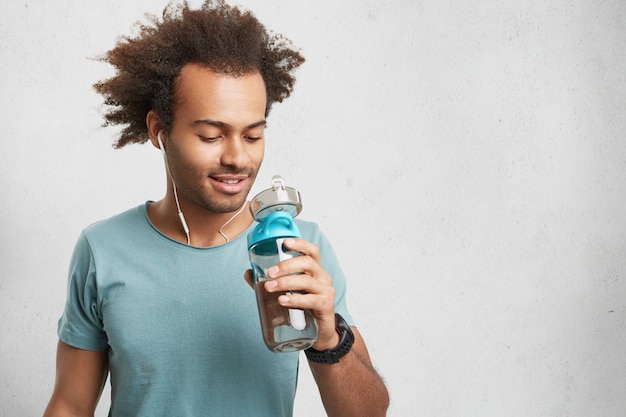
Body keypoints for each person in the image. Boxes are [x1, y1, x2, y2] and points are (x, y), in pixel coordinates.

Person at [43, 1, 389, 416]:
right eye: (211, 135)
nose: (238, 158)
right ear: (159, 131)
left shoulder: (299, 246)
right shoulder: (103, 249)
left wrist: (330, 339)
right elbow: (69, 405)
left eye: (253, 135)